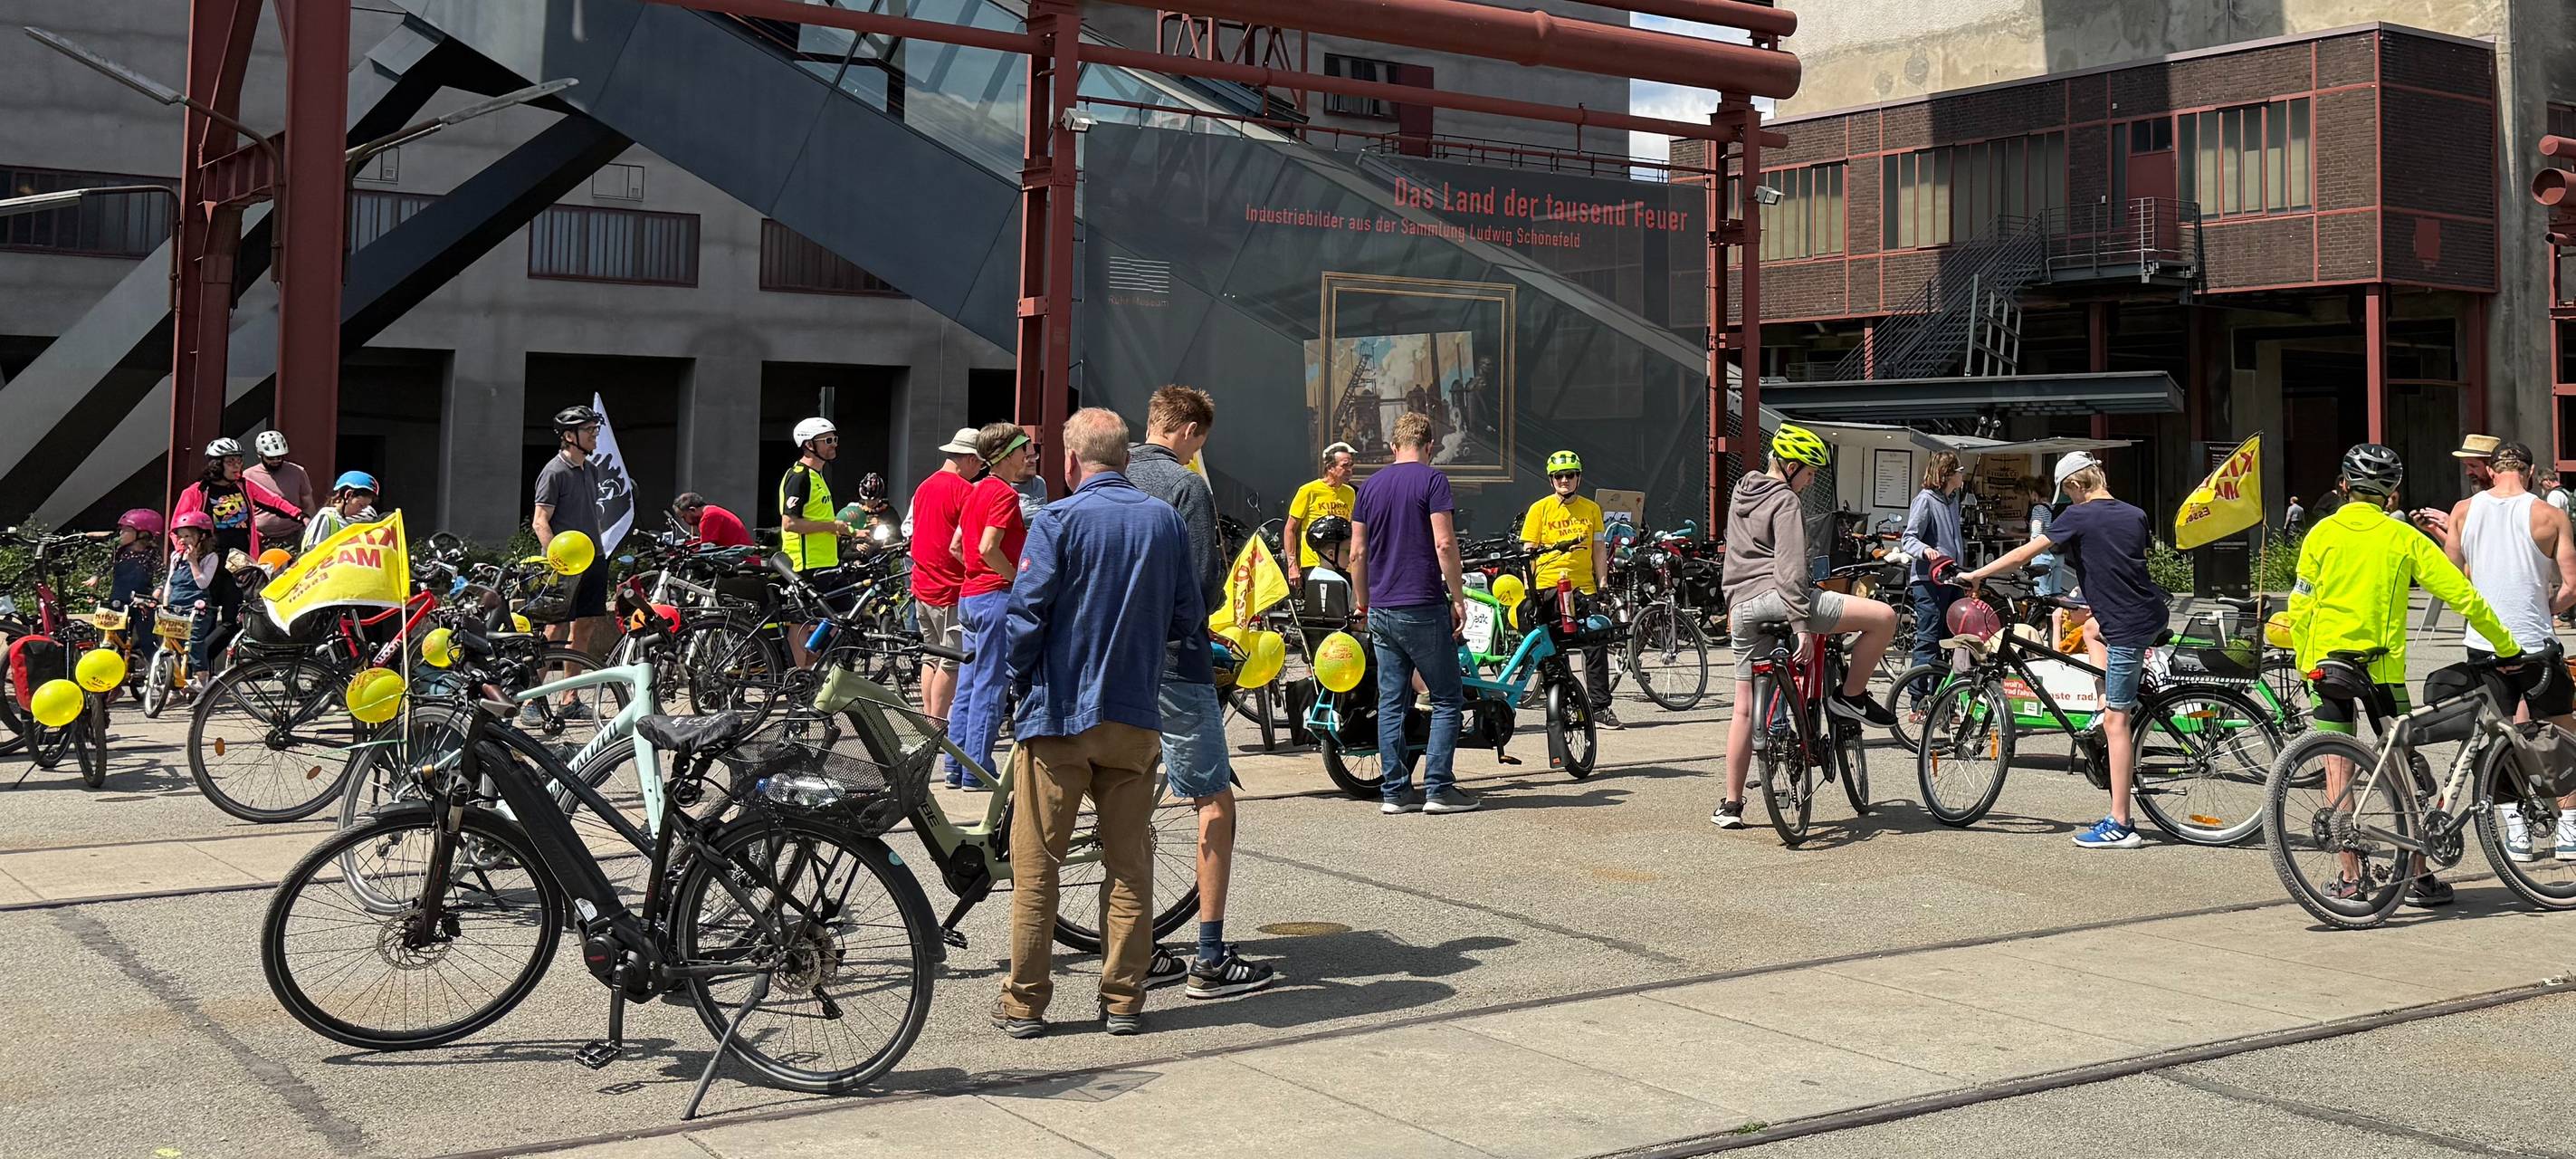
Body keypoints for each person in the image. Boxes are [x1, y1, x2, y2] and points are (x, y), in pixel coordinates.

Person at [993, 407, 1204, 1039]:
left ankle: (1026, 1002)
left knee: (1038, 864)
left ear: (1071, 460)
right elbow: (1187, 615)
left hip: (1059, 715)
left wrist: (1018, 679)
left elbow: (1026, 616)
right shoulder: (1163, 520)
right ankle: (1123, 999)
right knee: (1129, 864)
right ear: (1125, 458)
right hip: (1134, 715)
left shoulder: (1057, 518)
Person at [2287, 443, 2524, 905]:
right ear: (2393, 492)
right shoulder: (2405, 539)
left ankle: (2351, 879)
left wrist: (2305, 659)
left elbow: (2301, 602)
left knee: (2338, 768)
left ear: (2343, 486)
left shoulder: (2320, 534)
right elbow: (2463, 596)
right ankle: (2417, 874)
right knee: (2398, 768)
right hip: (2381, 670)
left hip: (2326, 665)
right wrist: (2507, 645)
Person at [1125, 386, 1282, 999]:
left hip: (1116, 668)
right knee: (1214, 804)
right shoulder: (1187, 487)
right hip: (1173, 661)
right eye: (1201, 442)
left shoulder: (1112, 473)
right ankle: (1210, 957)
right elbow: (1200, 586)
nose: (1198, 452)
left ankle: (1134, 947)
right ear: (1189, 430)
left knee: (1127, 807)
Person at [1960, 450, 2168, 849]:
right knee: (2091, 628)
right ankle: (2109, 701)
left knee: (2117, 723)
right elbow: (2120, 564)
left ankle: (2121, 823)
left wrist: (1978, 573)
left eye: (2067, 492)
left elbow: (2025, 552)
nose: (2067, 500)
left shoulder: (2078, 514)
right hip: (2149, 613)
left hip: (2125, 626)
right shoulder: (2135, 513)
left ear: (2075, 484)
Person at [1711, 425, 1899, 829]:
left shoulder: (1742, 493)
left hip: (1742, 608)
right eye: (1810, 472)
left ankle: (1731, 805)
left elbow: (1735, 560)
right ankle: (1850, 696)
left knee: (1743, 709)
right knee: (1883, 617)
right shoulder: (1785, 502)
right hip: (1782, 600)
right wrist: (1800, 625)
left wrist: (1732, 606)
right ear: (1791, 466)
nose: (1811, 480)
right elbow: (1791, 569)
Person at [2438, 440, 2576, 863]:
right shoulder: (2549, 515)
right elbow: (2572, 586)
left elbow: (2452, 580)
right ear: (2531, 473)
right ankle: (2570, 828)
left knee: (2497, 736)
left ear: (2494, 470)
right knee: (2562, 732)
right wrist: (2545, 606)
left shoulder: (2463, 510)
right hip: (2535, 644)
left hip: (2483, 645)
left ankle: (2516, 832)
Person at [1348, 412, 1474, 815]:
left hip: (1381, 607)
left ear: (1392, 446)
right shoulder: (1432, 479)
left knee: (1391, 700)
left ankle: (1395, 792)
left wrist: (1363, 601)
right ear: (1430, 446)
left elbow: (1357, 553)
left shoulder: (1368, 487)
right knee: (1448, 696)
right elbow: (1444, 544)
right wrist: (1458, 597)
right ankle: (1438, 787)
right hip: (1420, 603)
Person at [946, 422, 1037, 790]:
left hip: (970, 597)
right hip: (995, 596)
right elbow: (987, 546)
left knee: (969, 684)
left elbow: (957, 546)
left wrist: (978, 571)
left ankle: (957, 767)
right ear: (1007, 455)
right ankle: (978, 770)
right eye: (1025, 450)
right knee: (990, 684)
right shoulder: (1003, 493)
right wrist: (1015, 578)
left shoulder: (975, 489)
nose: (1029, 455)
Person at [1519, 449, 1619, 728]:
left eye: (1570, 475)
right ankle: (1561, 705)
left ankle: (1600, 708)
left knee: (1595, 642)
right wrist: (1530, 591)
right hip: (1548, 586)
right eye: (1559, 476)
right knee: (1553, 649)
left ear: (1579, 478)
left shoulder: (1591, 509)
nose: (1564, 481)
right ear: (1552, 480)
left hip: (1583, 588)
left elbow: (1599, 548)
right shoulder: (1539, 510)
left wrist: (1602, 583)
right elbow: (1529, 553)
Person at [532, 405, 613, 680]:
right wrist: (557, 561)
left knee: (586, 626)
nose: (594, 435)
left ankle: (570, 697)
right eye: (588, 430)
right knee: (556, 629)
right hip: (564, 564)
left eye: (595, 429)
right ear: (569, 436)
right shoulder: (553, 472)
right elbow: (540, 521)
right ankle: (534, 700)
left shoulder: (591, 470)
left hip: (594, 558)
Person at [911, 428, 983, 723]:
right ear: (968, 459)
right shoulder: (965, 491)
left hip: (921, 584)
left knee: (931, 656)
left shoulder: (924, 486)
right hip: (950, 588)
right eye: (979, 463)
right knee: (951, 662)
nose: (980, 470)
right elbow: (968, 542)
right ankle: (937, 725)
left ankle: (929, 719)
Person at [778, 417, 854, 666]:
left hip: (827, 563)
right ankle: (800, 678)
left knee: (844, 617)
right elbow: (790, 523)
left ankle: (808, 666)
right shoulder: (799, 477)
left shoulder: (818, 476)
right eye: (828, 440)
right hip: (805, 565)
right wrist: (832, 526)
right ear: (809, 445)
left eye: (835, 439)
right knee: (800, 623)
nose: (834, 445)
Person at [1898, 450, 1967, 696]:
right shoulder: (1925, 499)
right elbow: (1909, 538)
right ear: (1947, 474)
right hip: (1929, 580)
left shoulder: (1952, 500)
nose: (1962, 475)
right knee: (1928, 639)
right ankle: (1918, 699)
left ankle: (1942, 697)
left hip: (1952, 577)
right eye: (1959, 471)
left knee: (1955, 639)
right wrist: (1926, 551)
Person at [176, 438, 301, 560]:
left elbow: (274, 502)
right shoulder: (197, 491)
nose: (237, 466)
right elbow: (176, 528)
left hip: (243, 557)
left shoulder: (245, 486)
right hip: (210, 559)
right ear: (217, 465)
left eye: (239, 461)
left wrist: (300, 516)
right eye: (231, 461)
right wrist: (183, 552)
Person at [1283, 443, 1358, 589]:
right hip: (1314, 564)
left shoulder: (1350, 493)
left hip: (1341, 564)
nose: (1350, 470)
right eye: (1345, 465)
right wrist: (1293, 566)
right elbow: (1290, 529)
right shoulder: (1309, 491)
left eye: (1351, 465)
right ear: (1330, 467)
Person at [162, 511, 227, 674]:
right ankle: (174, 683)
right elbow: (170, 581)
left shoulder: (210, 557)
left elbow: (202, 582)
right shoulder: (176, 556)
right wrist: (165, 603)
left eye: (188, 536)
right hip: (176, 604)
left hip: (197, 607)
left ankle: (201, 677)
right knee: (172, 643)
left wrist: (193, 562)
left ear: (202, 537)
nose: (183, 540)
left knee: (194, 641)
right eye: (180, 536)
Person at [2415, 433, 2499, 539]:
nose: (2468, 472)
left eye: (2473, 466)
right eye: (2466, 466)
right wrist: (2434, 529)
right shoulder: (2470, 504)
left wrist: (2453, 525)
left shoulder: (2510, 502)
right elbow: (2458, 552)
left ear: (2492, 468)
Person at [243, 430, 314, 549]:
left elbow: (307, 502)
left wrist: (311, 527)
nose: (276, 461)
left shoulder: (298, 472)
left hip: (294, 535)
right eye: (271, 458)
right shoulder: (248, 476)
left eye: (279, 457)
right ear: (260, 455)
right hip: (262, 538)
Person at [301, 472, 379, 551]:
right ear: (348, 495)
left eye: (366, 506)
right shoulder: (326, 518)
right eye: (361, 505)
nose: (362, 511)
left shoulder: (367, 516)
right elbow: (311, 553)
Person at [110, 509, 163, 611]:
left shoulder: (152, 553)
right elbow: (106, 565)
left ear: (143, 534)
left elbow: (161, 574)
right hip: (118, 599)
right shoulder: (119, 551)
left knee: (144, 624)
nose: (121, 533)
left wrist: (157, 592)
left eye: (126, 530)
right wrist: (96, 577)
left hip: (142, 602)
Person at [672, 492, 752, 549]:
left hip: (739, 561)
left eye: (684, 517)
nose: (685, 521)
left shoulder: (709, 517)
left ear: (692, 510)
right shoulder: (713, 511)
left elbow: (707, 549)